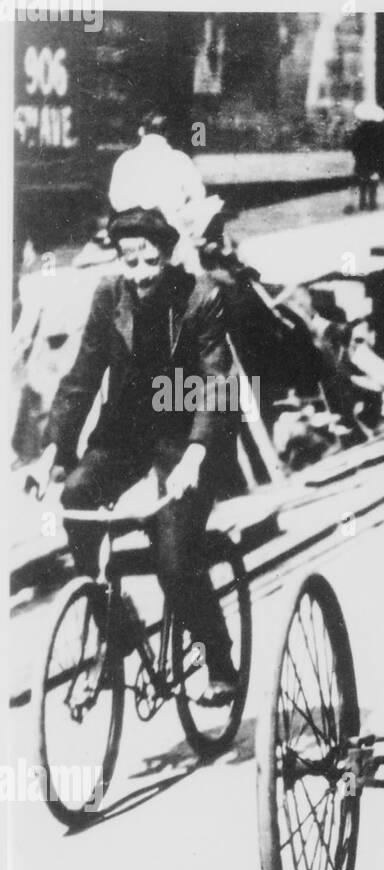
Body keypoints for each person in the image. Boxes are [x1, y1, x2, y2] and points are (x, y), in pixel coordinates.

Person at [27, 207, 242, 706]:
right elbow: (81, 378)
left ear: (167, 257)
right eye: (130, 261)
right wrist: (52, 451)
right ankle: (115, 624)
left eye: (149, 261)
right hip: (124, 435)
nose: (140, 273)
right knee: (77, 496)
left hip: (185, 438)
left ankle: (218, 656)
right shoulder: (109, 296)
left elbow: (217, 384)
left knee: (173, 557)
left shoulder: (200, 297)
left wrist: (195, 456)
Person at [108, 112, 207, 272]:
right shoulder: (179, 159)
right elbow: (198, 195)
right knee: (191, 267)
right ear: (167, 134)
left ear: (141, 131)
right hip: (167, 227)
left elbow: (115, 199)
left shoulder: (125, 159)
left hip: (128, 227)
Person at [349, 101, 384, 211]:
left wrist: (356, 154)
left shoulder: (359, 129)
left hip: (361, 159)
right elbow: (382, 144)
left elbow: (354, 144)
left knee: (362, 181)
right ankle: (372, 202)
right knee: (373, 181)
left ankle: (362, 202)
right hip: (374, 159)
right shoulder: (378, 130)